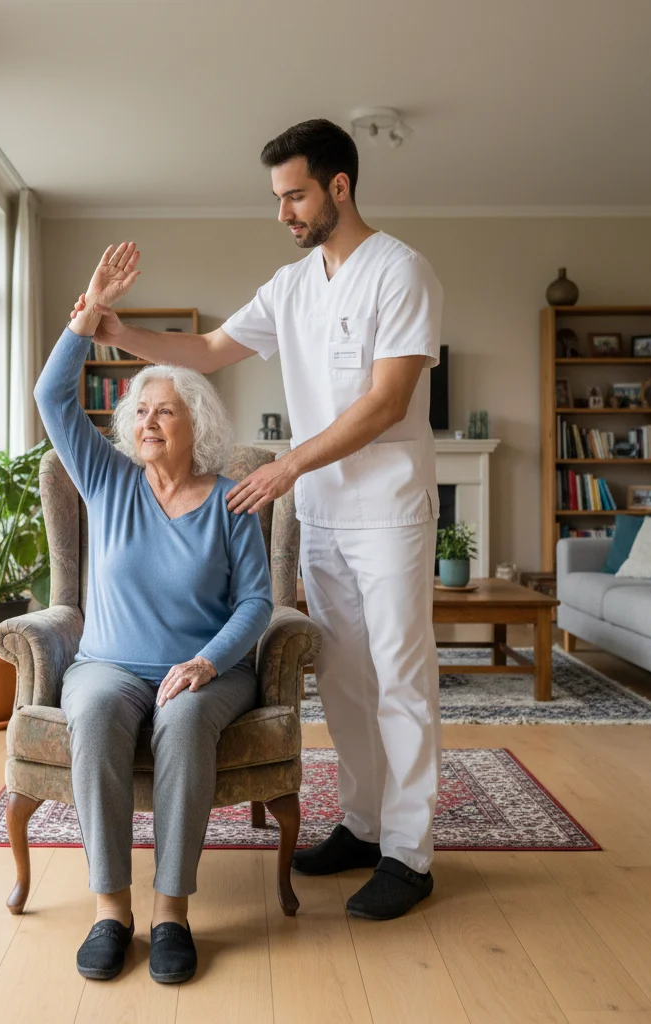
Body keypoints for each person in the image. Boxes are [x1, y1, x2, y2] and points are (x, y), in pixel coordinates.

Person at [68, 120, 443, 921]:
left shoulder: (402, 273)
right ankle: (364, 825)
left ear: (339, 187)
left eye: (295, 194)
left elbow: (388, 402)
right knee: (342, 676)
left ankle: (410, 855)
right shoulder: (293, 285)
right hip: (327, 514)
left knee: (401, 680)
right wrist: (116, 331)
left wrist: (285, 465)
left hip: (390, 512)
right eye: (278, 198)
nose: (285, 212)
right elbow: (205, 348)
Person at [34, 242, 273, 983]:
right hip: (109, 663)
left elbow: (258, 601)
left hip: (207, 671)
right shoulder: (108, 482)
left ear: (195, 422)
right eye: (139, 411)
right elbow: (51, 398)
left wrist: (205, 662)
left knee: (184, 716)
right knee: (100, 709)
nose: (147, 422)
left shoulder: (232, 500)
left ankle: (171, 911)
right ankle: (112, 910)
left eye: (163, 410)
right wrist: (87, 313)